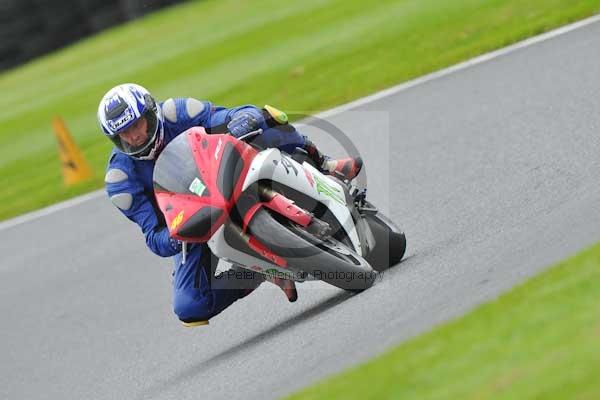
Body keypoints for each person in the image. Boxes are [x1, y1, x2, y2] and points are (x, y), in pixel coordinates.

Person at [98, 83, 362, 327]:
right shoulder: (121, 181)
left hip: (225, 169)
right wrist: (177, 236)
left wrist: (241, 121)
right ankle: (259, 272)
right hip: (193, 220)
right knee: (189, 306)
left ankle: (325, 164)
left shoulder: (178, 113)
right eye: (123, 133)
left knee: (267, 118)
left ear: (151, 113)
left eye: (137, 125)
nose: (133, 136)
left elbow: (233, 115)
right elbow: (154, 237)